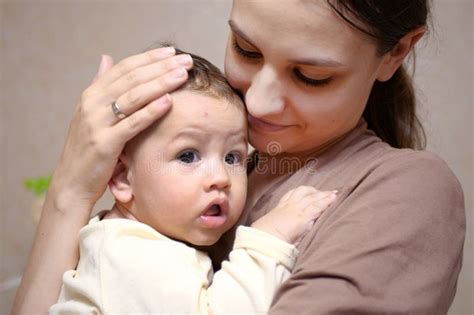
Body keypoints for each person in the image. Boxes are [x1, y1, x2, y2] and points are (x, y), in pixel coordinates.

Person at [13, 1, 465, 314]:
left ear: (398, 52)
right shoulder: (146, 227)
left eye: (311, 76)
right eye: (246, 50)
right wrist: (70, 190)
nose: (259, 105)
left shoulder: (406, 191)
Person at [48, 50, 336, 314]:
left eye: (232, 157)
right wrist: (268, 239)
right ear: (123, 178)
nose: (221, 178)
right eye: (187, 156)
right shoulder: (128, 255)